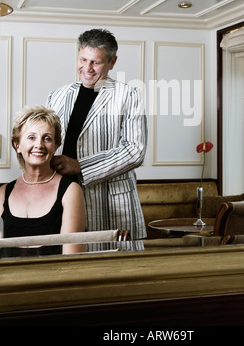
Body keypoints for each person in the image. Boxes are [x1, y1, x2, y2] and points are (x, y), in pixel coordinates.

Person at [46, 28, 147, 239]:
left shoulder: (128, 95)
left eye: (96, 62)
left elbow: (135, 150)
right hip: (63, 197)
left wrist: (80, 166)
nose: (87, 68)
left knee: (116, 267)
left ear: (112, 62)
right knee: (71, 264)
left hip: (112, 203)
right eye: (83, 59)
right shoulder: (56, 95)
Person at [0, 105, 86, 256]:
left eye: (47, 138)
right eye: (31, 137)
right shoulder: (2, 192)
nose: (39, 145)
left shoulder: (70, 191)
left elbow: (72, 260)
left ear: (55, 146)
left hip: (54, 278)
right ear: (17, 145)